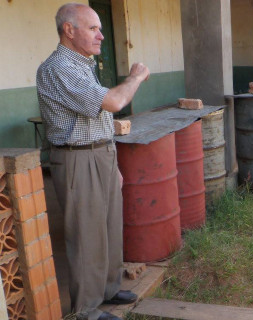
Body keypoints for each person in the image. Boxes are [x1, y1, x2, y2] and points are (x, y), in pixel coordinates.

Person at [36, 3, 149, 320]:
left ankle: (109, 289)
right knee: (87, 233)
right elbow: (113, 102)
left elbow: (98, 119)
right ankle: (85, 309)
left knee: (110, 225)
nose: (101, 35)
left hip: (100, 153)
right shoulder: (60, 67)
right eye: (93, 28)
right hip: (77, 159)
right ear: (69, 30)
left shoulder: (83, 64)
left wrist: (111, 163)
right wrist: (136, 77)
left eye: (100, 28)